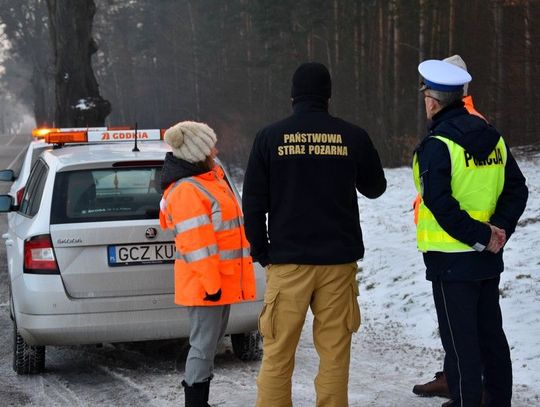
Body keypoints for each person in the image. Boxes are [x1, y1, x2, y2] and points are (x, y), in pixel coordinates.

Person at [242, 62, 386, 407]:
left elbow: (252, 203)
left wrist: (262, 252)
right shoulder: (352, 136)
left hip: (288, 263)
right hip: (338, 263)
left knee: (277, 353)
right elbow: (376, 187)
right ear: (328, 96)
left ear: (292, 96)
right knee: (335, 354)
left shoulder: (269, 137)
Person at [413, 59, 528, 406]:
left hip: (451, 261)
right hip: (487, 258)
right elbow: (517, 189)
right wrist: (498, 232)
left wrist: (480, 235)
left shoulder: (437, 145)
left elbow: (439, 204)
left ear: (433, 101)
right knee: (491, 336)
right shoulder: (493, 136)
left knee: (461, 345)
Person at [159, 121, 256, 407]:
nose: (216, 148)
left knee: (208, 345)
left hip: (218, 282)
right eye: (210, 144)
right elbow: (197, 246)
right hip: (206, 286)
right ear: (197, 152)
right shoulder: (188, 190)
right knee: (202, 346)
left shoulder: (210, 180)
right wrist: (212, 286)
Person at [412, 54, 486, 400]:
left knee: (463, 333)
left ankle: (463, 389)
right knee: (468, 330)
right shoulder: (470, 122)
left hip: (458, 245)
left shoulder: (459, 127)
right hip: (469, 242)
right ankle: (459, 381)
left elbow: (447, 197)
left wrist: (482, 235)